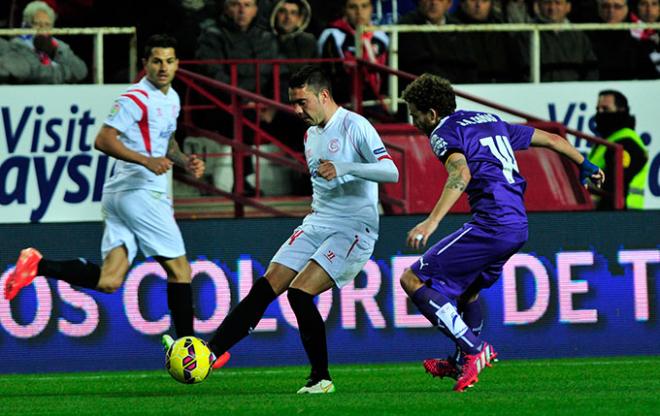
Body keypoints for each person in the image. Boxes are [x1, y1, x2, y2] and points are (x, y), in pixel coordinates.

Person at [4, 35, 214, 354]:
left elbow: (166, 139)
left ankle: (38, 264)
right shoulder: (135, 98)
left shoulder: (171, 98)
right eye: (156, 61)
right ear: (145, 64)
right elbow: (103, 140)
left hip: (122, 195)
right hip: (139, 193)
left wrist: (184, 161)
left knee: (109, 281)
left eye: (169, 61)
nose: (163, 67)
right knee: (180, 270)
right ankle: (189, 349)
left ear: (177, 64)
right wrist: (146, 161)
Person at [399, 73, 604, 392]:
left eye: (415, 114)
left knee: (411, 280)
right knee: (468, 293)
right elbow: (552, 140)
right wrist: (586, 165)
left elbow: (460, 172)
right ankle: (458, 362)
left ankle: (473, 349)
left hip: (492, 223)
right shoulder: (490, 120)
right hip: (517, 225)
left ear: (432, 114)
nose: (414, 122)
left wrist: (432, 221)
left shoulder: (443, 131)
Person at [201, 65, 399, 393]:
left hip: (354, 229)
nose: (296, 109)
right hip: (317, 222)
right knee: (265, 287)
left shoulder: (355, 126)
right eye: (293, 102)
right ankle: (211, 353)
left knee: (298, 292)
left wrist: (345, 167)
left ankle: (321, 378)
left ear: (323, 95)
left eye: (302, 102)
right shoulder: (310, 134)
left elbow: (391, 171)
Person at [317, 0, 389, 104]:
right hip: (345, 102)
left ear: (371, 9)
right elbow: (332, 77)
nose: (359, 12)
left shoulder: (382, 35)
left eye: (364, 6)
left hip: (378, 101)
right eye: (352, 7)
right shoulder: (332, 35)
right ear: (344, 10)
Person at [589, 90, 648, 209]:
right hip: (606, 214)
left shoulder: (627, 143)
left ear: (621, 110)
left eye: (605, 109)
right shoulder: (606, 142)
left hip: (625, 217)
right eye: (598, 109)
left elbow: (615, 182)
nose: (600, 113)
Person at [397, 0, 478, 84]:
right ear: (419, 1)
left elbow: (469, 65)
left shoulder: (458, 27)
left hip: (461, 89)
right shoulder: (406, 26)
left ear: (449, 4)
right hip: (421, 88)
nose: (433, 2)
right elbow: (419, 66)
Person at [10, 0, 88, 84]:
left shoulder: (58, 45)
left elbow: (81, 72)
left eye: (47, 24)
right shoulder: (18, 44)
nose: (42, 28)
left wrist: (54, 51)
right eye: (37, 24)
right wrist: (68, 73)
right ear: (28, 25)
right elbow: (37, 76)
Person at [451, 0, 526, 83]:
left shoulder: (502, 26)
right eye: (473, 0)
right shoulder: (450, 29)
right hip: (466, 88)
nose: (478, 5)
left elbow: (517, 66)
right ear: (462, 2)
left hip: (505, 87)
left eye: (484, 0)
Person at [530, 0, 599, 81]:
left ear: (568, 7)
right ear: (538, 6)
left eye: (558, 3)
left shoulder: (579, 36)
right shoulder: (526, 35)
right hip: (537, 92)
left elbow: (591, 69)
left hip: (574, 92)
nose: (552, 8)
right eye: (547, 2)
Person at [588, 0, 657, 80]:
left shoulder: (641, 35)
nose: (611, 11)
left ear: (626, 9)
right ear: (598, 8)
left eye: (617, 6)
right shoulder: (586, 35)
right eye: (605, 6)